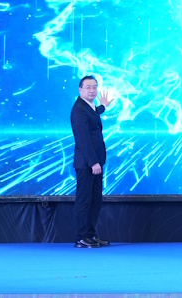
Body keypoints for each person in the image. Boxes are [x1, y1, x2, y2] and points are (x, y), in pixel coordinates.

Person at [71, 75, 113, 248]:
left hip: (95, 163)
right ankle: (81, 237)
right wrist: (93, 162)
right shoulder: (78, 109)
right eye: (88, 87)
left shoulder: (89, 107)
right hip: (87, 164)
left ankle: (91, 235)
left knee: (95, 200)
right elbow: (83, 139)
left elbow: (94, 114)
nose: (92, 90)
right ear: (80, 89)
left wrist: (103, 106)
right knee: (84, 201)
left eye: (94, 87)